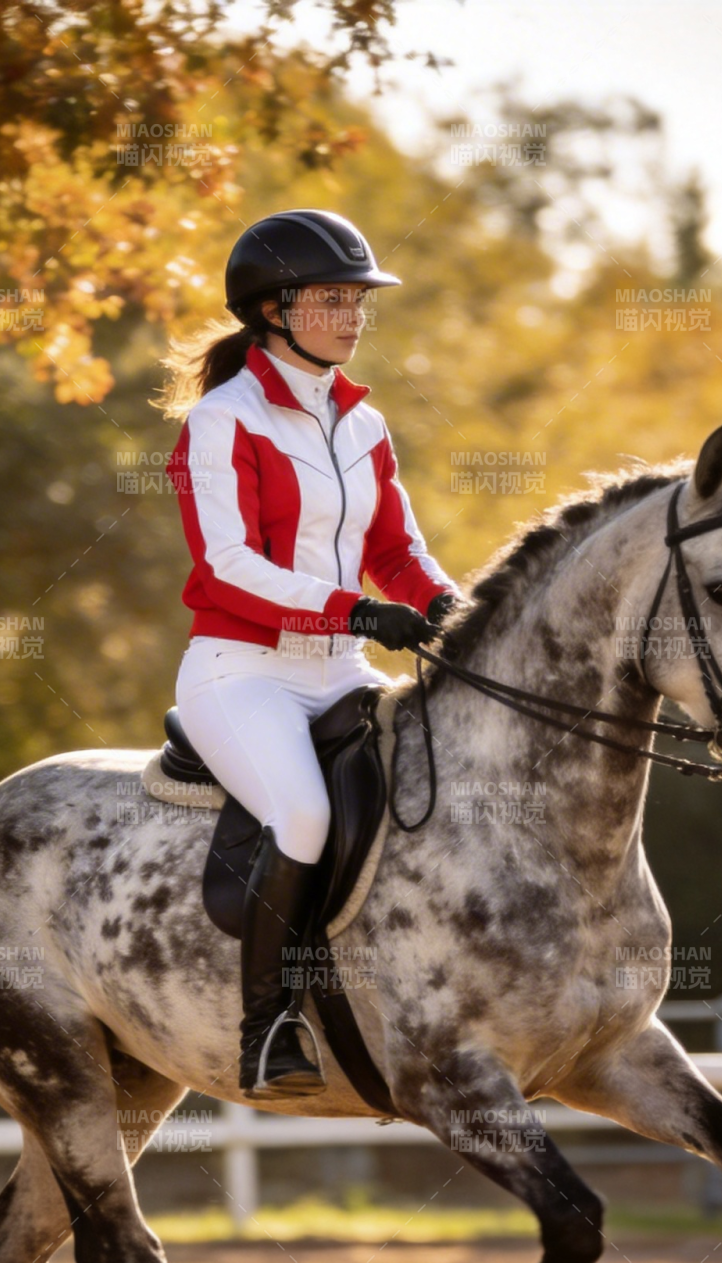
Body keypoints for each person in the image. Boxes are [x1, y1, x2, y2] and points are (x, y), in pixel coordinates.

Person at [162, 209, 463, 1101]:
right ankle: (267, 1029)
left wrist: (449, 605)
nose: (354, 315)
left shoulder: (363, 423)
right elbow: (228, 568)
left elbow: (398, 551)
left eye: (358, 300)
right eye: (334, 299)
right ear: (275, 309)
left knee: (430, 792)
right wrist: (359, 610)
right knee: (302, 817)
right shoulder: (223, 420)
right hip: (242, 670)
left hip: (337, 668)